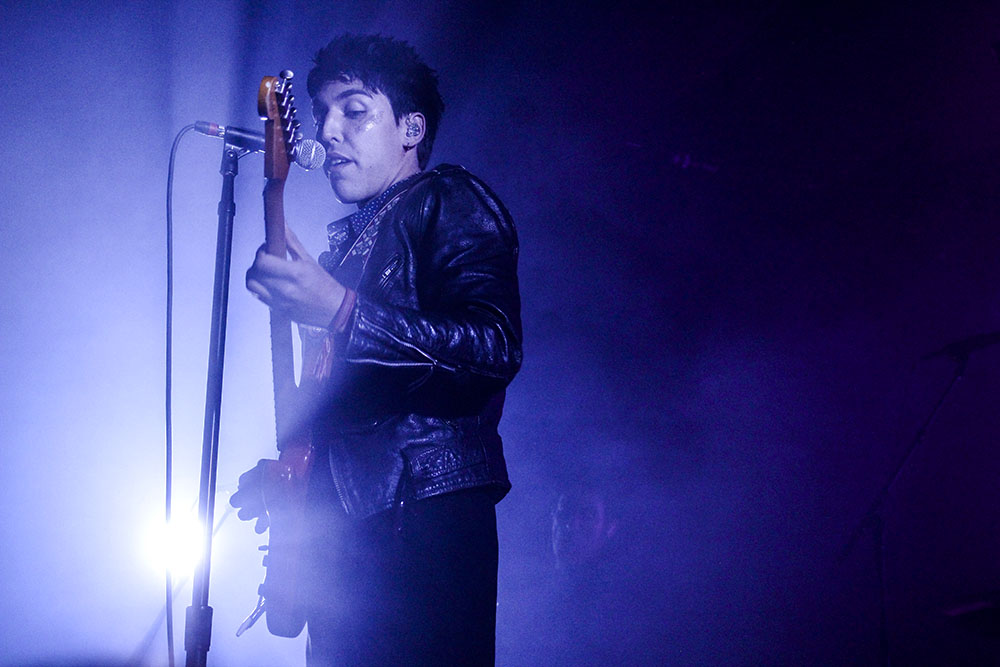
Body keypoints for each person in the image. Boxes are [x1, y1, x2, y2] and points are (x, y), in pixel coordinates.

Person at [230, 34, 522, 666]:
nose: (331, 130)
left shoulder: (449, 200)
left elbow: (493, 347)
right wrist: (288, 473)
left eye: (354, 110)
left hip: (422, 519)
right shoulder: (350, 248)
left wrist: (341, 310)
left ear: (411, 127)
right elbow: (351, 405)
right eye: (323, 112)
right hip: (350, 538)